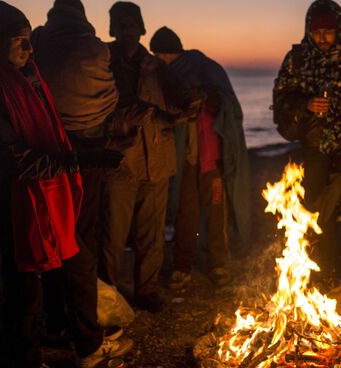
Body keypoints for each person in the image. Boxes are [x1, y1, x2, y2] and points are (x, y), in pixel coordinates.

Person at [0, 2, 132, 367]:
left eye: (29, 40)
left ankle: (86, 345)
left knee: (76, 263)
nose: (29, 49)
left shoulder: (27, 78)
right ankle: (30, 356)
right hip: (14, 202)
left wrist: (89, 151)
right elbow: (19, 161)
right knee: (24, 287)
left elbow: (51, 137)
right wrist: (82, 160)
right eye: (19, 42)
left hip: (50, 195)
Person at [273, 0, 341, 287]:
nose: (322, 37)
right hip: (315, 144)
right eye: (316, 31)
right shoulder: (298, 58)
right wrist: (305, 104)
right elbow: (281, 98)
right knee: (323, 210)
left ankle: (319, 264)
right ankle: (325, 272)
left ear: (340, 29)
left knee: (336, 204)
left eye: (328, 31)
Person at [100, 1, 189, 312]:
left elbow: (178, 99)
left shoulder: (156, 66)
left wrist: (190, 104)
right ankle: (107, 293)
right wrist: (136, 110)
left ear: (141, 28)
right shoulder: (101, 63)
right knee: (112, 235)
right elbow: (96, 108)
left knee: (151, 235)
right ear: (112, 29)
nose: (127, 31)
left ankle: (147, 290)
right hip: (119, 163)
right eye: (121, 25)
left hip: (158, 161)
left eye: (132, 25)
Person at [149, 26, 251, 289]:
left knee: (216, 212)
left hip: (212, 157)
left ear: (169, 52)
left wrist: (208, 97)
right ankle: (182, 265)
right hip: (186, 158)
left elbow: (230, 104)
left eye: (160, 55)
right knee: (186, 213)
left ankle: (218, 264)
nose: (158, 61)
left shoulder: (205, 68)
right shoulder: (168, 74)